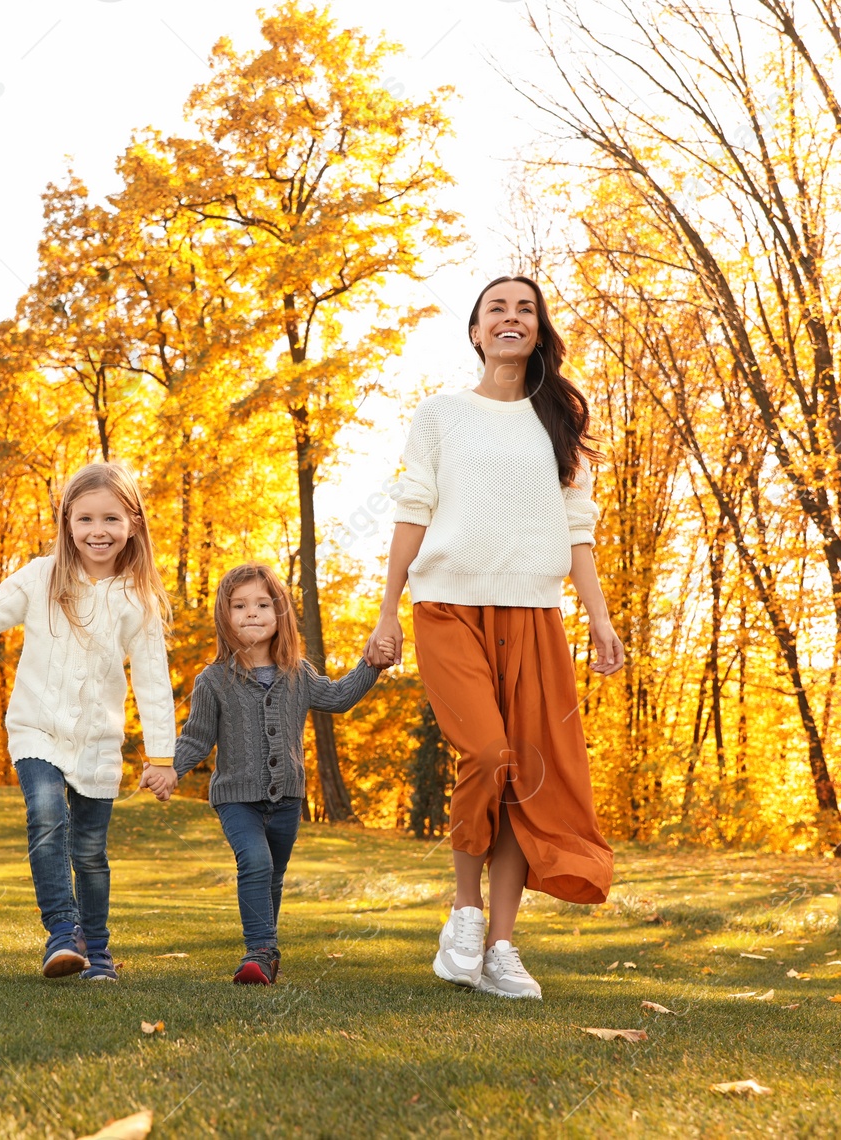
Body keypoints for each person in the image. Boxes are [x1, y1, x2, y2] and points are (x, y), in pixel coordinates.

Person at [366, 275, 624, 1001]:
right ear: (477, 333)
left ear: (538, 330)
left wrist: (598, 617)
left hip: (534, 614)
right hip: (448, 605)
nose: (511, 319)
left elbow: (579, 530)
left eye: (525, 310)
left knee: (524, 779)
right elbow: (414, 510)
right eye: (496, 310)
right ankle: (465, 915)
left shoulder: (561, 417)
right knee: (486, 753)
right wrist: (387, 610)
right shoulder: (442, 414)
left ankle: (502, 949)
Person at [0, 463, 174, 982]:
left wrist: (162, 757)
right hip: (35, 729)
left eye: (111, 518)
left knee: (90, 851)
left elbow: (153, 682)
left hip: (97, 743)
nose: (98, 531)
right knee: (46, 814)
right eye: (85, 518)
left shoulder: (139, 598)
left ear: (133, 523)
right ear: (67, 521)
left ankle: (99, 952)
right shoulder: (41, 575)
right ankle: (62, 933)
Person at [140, 563, 393, 984]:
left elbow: (341, 696)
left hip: (288, 799)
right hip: (237, 798)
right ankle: (256, 951)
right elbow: (196, 739)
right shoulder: (213, 681)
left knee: (272, 874)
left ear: (280, 616)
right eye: (239, 606)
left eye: (261, 605)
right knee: (254, 863)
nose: (251, 613)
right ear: (225, 617)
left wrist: (372, 664)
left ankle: (267, 953)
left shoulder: (299, 674)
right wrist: (169, 769)